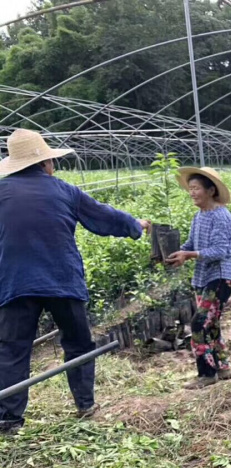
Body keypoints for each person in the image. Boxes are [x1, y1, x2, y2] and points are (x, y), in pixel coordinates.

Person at [0, 129, 151, 435]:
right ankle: (85, 405)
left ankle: (9, 420)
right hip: (62, 280)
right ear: (45, 164)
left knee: (12, 350)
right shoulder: (63, 191)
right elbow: (103, 216)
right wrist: (135, 225)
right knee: (78, 344)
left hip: (15, 282)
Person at [166, 167, 231, 389]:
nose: (192, 193)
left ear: (210, 190)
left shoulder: (221, 215)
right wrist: (177, 253)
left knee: (199, 323)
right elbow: (191, 244)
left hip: (219, 276)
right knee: (212, 323)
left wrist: (190, 255)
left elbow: (220, 250)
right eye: (190, 189)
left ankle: (206, 373)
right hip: (203, 277)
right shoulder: (199, 216)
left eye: (196, 188)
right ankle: (223, 367)